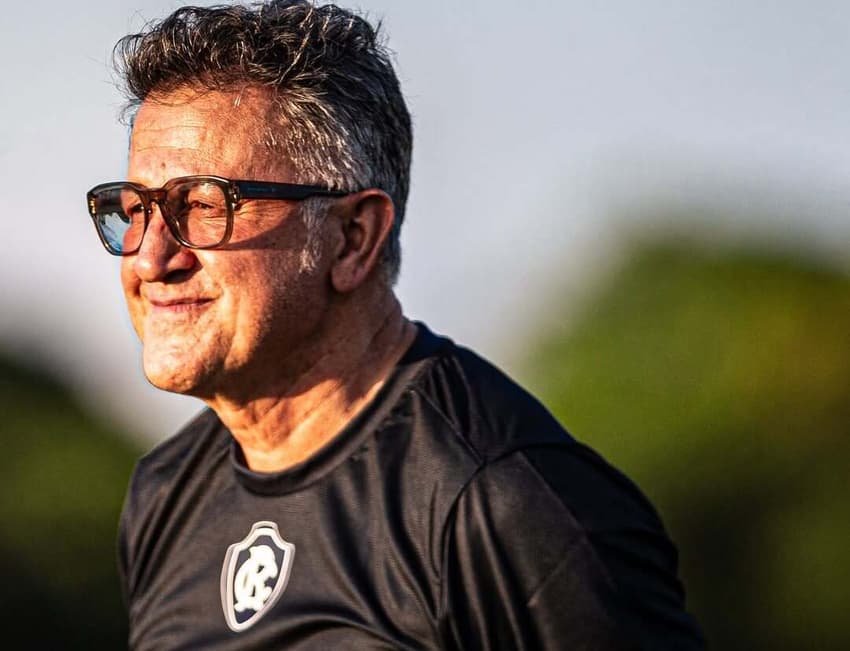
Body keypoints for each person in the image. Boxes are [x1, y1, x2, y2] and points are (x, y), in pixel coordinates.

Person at [87, 1, 704, 648]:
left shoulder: (505, 504)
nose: (151, 258)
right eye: (134, 209)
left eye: (203, 205)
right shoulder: (165, 494)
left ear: (354, 237)